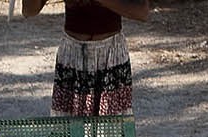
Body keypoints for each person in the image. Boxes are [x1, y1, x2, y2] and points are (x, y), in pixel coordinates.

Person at [21, 0, 150, 117]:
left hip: (111, 56)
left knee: (111, 129)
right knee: (68, 129)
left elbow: (142, 12)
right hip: (72, 56)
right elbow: (29, 11)